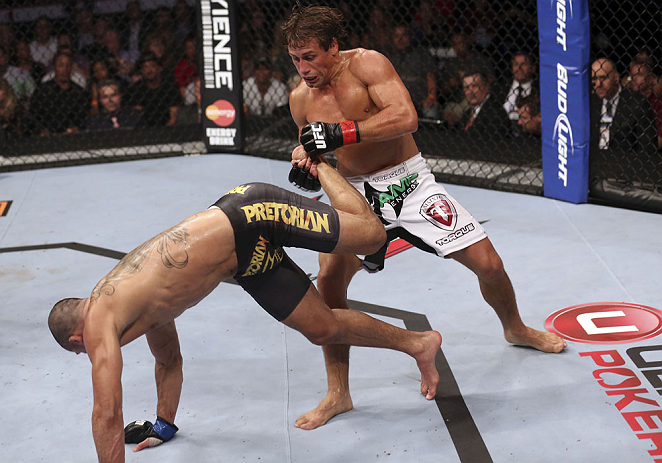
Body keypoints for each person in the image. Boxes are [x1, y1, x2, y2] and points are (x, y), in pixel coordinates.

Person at [282, 4, 566, 431]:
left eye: (310, 57)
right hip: (355, 192)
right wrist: (308, 157)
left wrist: (345, 132)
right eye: (295, 59)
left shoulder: (368, 64)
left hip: (407, 182)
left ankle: (515, 327)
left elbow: (406, 116)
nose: (303, 68)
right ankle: (338, 392)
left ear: (334, 47)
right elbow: (318, 148)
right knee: (329, 283)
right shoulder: (300, 99)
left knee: (489, 264)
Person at [48, 155, 442, 463]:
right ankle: (418, 344)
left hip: (250, 213)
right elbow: (168, 360)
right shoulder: (139, 308)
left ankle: (321, 165)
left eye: (81, 350)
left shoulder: (100, 321)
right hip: (244, 259)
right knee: (321, 328)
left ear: (77, 338)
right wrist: (164, 425)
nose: (91, 353)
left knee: (372, 235)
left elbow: (107, 414)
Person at [589, 57, 657, 157]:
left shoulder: (637, 103)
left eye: (603, 78)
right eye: (594, 79)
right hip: (594, 163)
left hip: (626, 165)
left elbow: (648, 148)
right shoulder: (590, 102)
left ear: (616, 78)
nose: (598, 84)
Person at [383, 24, 439, 119]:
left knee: (431, 111)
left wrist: (431, 97)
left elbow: (430, 76)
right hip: (394, 100)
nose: (400, 40)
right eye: (396, 36)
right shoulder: (387, 56)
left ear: (410, 37)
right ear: (392, 39)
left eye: (403, 35)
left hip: (419, 100)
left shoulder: (421, 53)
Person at [30, 50, 89, 135]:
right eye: (61, 65)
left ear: (71, 68)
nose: (65, 69)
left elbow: (83, 118)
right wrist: (42, 130)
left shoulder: (79, 92)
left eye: (68, 65)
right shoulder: (42, 91)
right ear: (54, 67)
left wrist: (75, 129)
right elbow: (33, 116)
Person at [126, 53, 181, 127]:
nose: (149, 70)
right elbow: (137, 117)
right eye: (145, 67)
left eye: (152, 66)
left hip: (167, 128)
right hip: (144, 129)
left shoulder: (169, 85)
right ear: (141, 71)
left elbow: (173, 117)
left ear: (159, 68)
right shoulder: (137, 88)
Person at [459, 69, 511, 137]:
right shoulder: (466, 114)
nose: (470, 91)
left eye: (474, 86)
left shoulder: (496, 114)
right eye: (466, 87)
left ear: (486, 87)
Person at [498, 51, 536, 122]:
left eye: (523, 64)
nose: (519, 68)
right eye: (516, 64)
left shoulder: (539, 90)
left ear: (532, 68)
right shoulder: (499, 88)